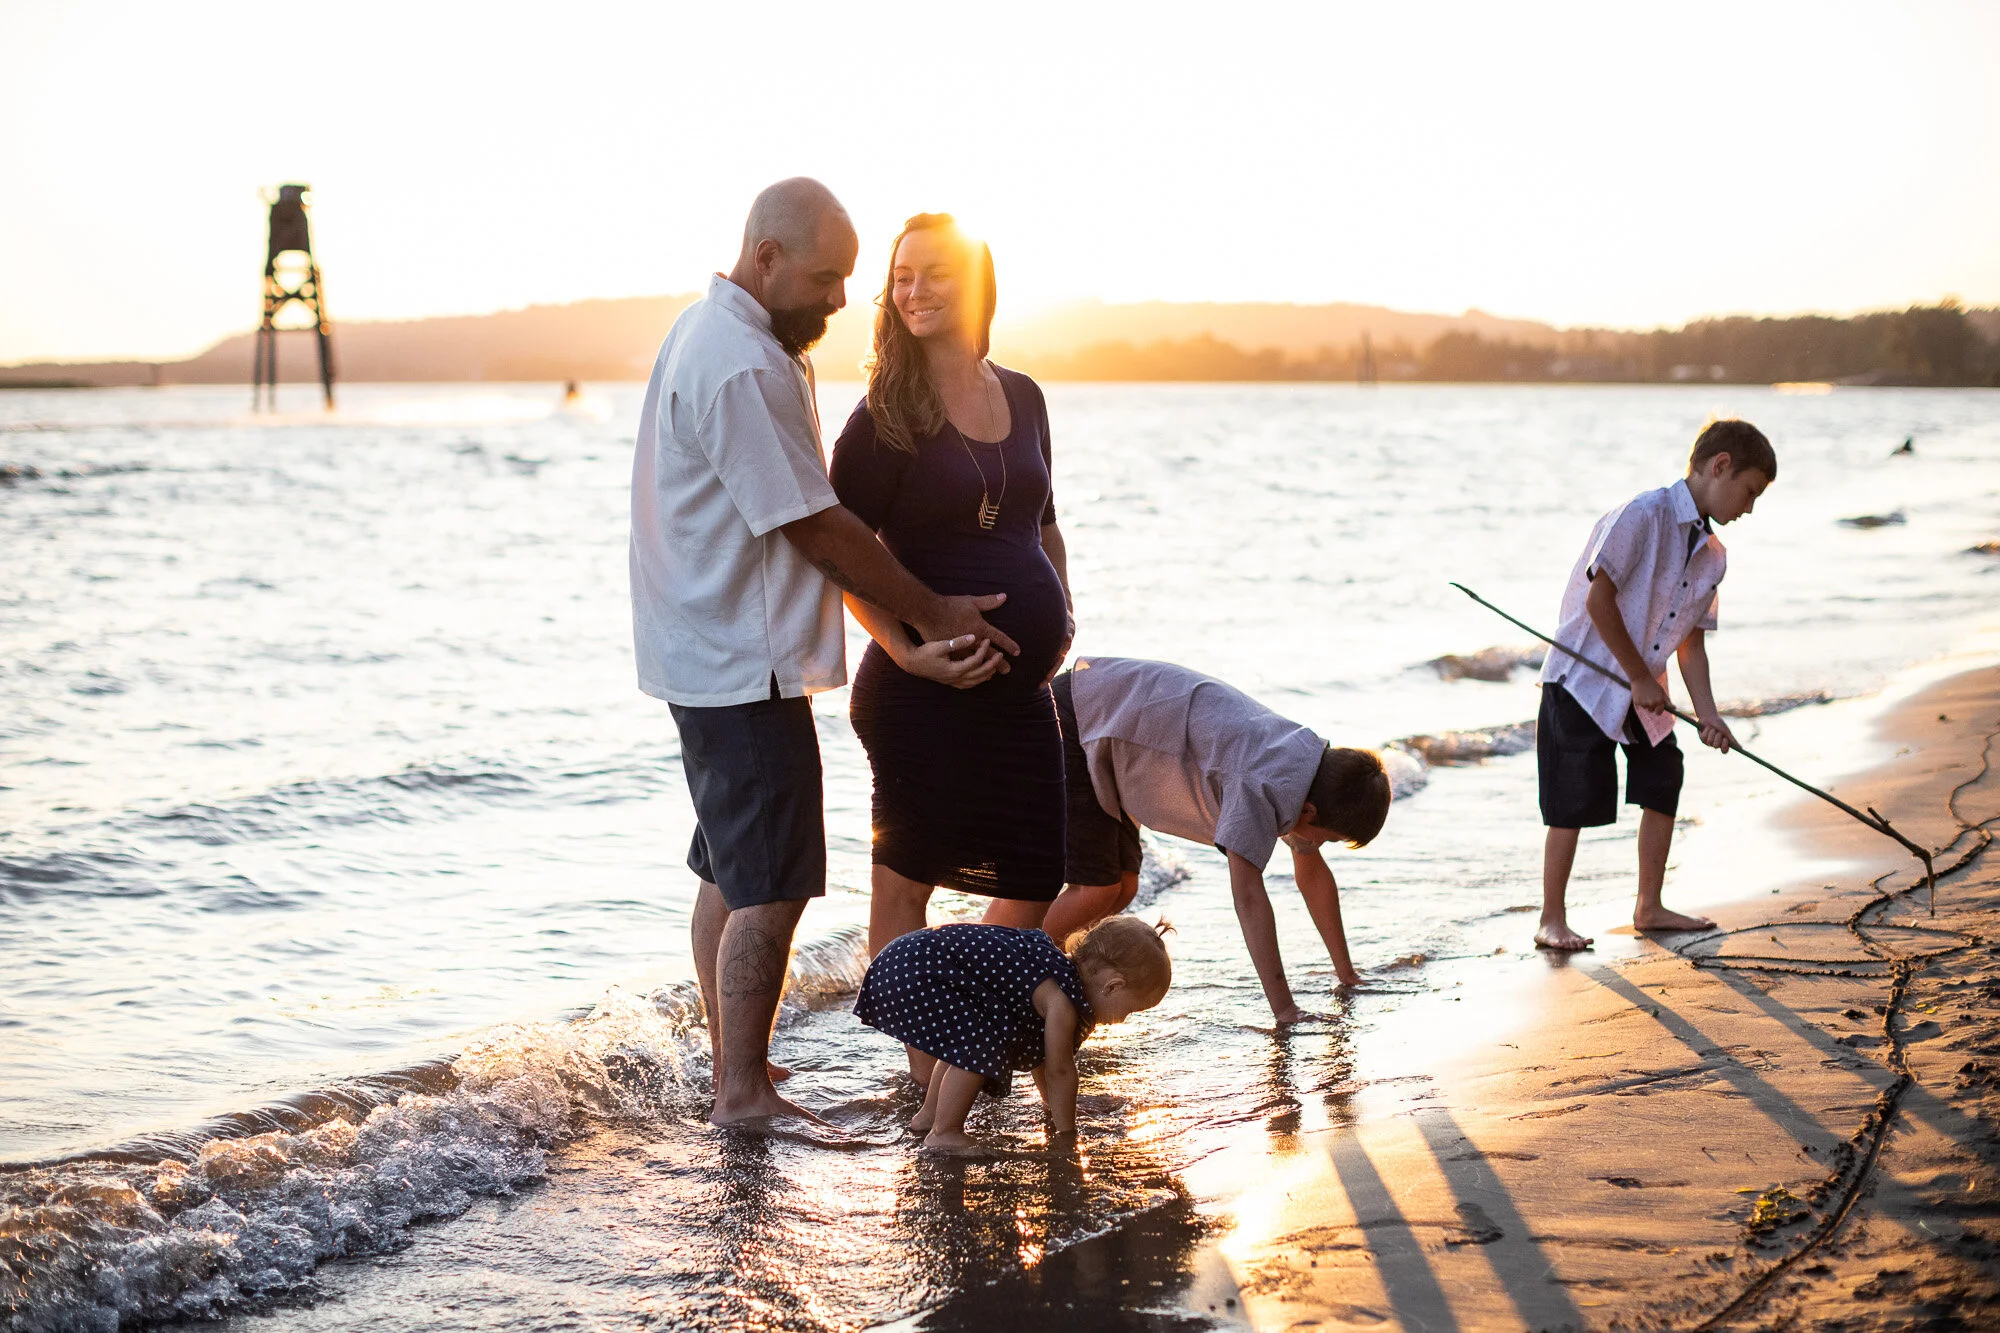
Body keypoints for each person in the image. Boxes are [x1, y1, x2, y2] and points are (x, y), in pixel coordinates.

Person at [629, 179, 1019, 1128]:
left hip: (709, 651)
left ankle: (737, 1066)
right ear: (765, 258)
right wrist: (935, 614)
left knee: (727, 874)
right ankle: (743, 1093)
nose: (844, 299)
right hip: (741, 659)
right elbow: (815, 525)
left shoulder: (731, 337)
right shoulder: (738, 363)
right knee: (773, 887)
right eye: (826, 277)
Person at [829, 214, 1075, 964]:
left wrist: (1062, 613)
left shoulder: (1025, 397)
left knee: (1039, 869)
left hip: (1021, 695)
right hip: (923, 695)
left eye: (934, 272)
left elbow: (1045, 522)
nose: (914, 290)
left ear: (977, 282)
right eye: (901, 276)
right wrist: (906, 651)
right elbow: (842, 553)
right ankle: (926, 1065)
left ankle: (959, 1015)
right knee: (905, 884)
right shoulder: (884, 415)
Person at [1534, 418, 1777, 951]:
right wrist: (1640, 677)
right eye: (1749, 491)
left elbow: (1691, 641)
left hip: (1645, 689)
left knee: (1664, 773)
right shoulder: (1642, 515)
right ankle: (1551, 917)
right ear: (1720, 466)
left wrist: (1709, 714)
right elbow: (1598, 602)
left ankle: (1649, 906)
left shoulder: (1713, 555)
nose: (1749, 507)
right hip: (1583, 678)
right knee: (1570, 800)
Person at [1044, 657, 1392, 1023]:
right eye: (1329, 840)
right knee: (1097, 889)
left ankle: (1061, 990)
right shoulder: (1259, 785)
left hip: (1116, 731)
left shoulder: (1305, 768)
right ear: (1308, 812)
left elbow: (1313, 876)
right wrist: (1285, 1011)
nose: (1318, 847)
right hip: (1079, 718)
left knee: (1123, 887)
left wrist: (1346, 974)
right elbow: (1249, 900)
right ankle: (1003, 971)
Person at [854, 916, 1172, 1154]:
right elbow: (1059, 1069)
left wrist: (1053, 1105)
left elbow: (1042, 1058)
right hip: (914, 971)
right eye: (1130, 1010)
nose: (1122, 1020)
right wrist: (1067, 1135)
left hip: (904, 961)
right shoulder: (1062, 1003)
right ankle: (944, 1132)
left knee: (968, 1039)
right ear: (1113, 985)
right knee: (980, 1043)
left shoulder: (1055, 977)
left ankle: (927, 1118)